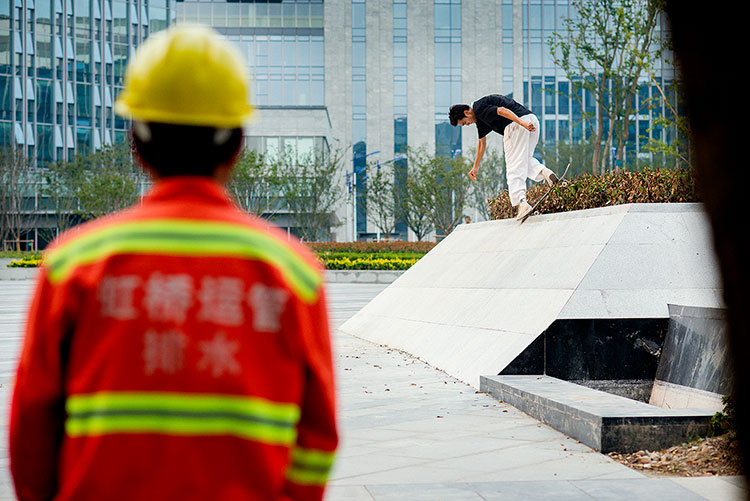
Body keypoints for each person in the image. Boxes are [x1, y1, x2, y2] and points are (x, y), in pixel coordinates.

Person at [10, 25, 338, 501]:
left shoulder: (73, 265)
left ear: (137, 141)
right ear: (237, 142)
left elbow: (31, 428)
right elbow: (317, 435)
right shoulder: (293, 273)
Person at [449, 94, 558, 220]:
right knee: (523, 160)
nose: (467, 125)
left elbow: (502, 111)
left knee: (513, 167)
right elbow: (481, 143)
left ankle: (521, 204)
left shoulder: (479, 108)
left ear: (466, 112)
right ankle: (545, 172)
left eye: (464, 123)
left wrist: (522, 124)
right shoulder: (480, 118)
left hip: (516, 125)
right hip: (532, 119)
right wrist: (475, 167)